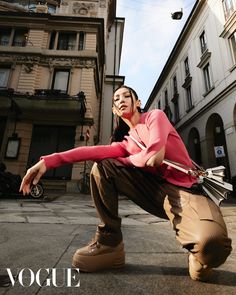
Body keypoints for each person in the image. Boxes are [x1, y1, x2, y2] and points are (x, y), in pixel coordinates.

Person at [20, 85, 232, 281]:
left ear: (137, 102)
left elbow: (155, 151)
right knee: (102, 166)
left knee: (213, 246)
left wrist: (132, 160)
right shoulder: (125, 144)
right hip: (154, 193)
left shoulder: (155, 116)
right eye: (116, 99)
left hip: (187, 192)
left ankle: (198, 253)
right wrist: (48, 161)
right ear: (114, 110)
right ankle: (109, 243)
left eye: (125, 96)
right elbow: (89, 152)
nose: (120, 100)